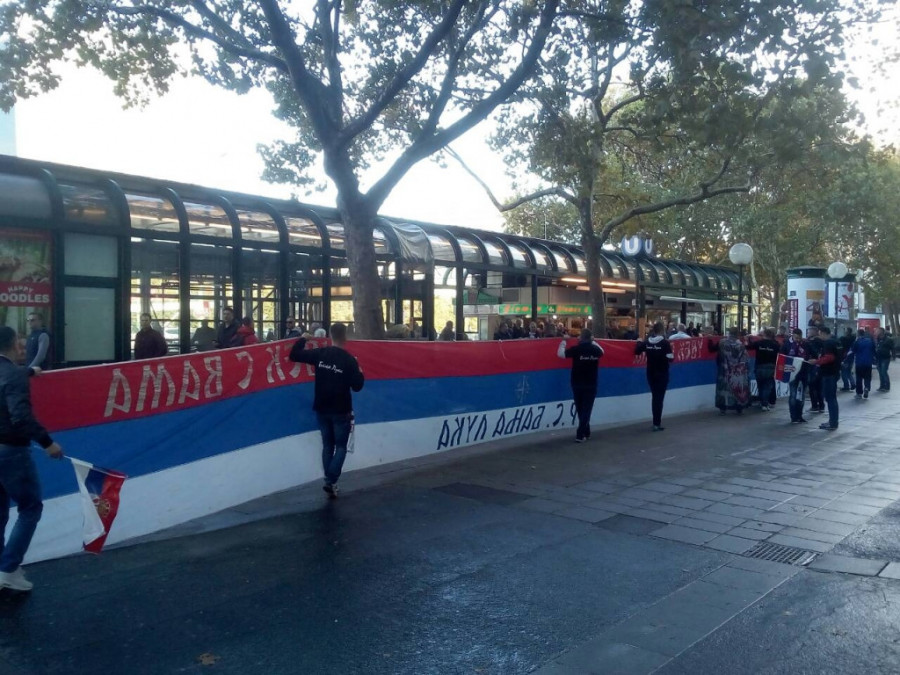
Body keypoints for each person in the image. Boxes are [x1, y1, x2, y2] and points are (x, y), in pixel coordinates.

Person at [0, 326, 64, 591]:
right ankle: (8, 569)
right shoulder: (14, 375)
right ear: (14, 343)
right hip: (11, 451)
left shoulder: (15, 373)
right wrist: (47, 443)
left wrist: (28, 372)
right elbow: (21, 417)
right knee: (30, 508)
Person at [289, 323, 364, 497]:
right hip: (341, 409)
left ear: (330, 335)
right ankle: (331, 480)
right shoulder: (349, 360)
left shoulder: (321, 354)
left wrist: (303, 339)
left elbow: (294, 355)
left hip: (322, 407)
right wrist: (360, 372)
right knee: (341, 446)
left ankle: (329, 481)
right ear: (345, 337)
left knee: (328, 445)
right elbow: (357, 386)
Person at [558, 328, 604, 443]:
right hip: (591, 383)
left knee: (580, 408)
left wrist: (564, 341)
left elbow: (561, 354)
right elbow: (602, 351)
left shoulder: (577, 349)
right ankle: (584, 432)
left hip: (577, 383)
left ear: (581, 338)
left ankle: (582, 433)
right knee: (586, 409)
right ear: (590, 338)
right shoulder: (595, 350)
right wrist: (594, 341)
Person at [634, 322, 673, 431]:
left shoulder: (647, 342)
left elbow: (637, 351)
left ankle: (656, 422)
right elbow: (671, 358)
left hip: (650, 373)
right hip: (662, 373)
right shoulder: (665, 343)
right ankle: (657, 423)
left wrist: (639, 342)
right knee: (659, 398)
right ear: (662, 330)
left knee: (655, 397)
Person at [708, 328, 750, 414]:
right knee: (737, 388)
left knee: (723, 388)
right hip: (737, 372)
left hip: (724, 369)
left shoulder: (722, 342)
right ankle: (739, 407)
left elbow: (711, 349)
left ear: (729, 333)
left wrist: (709, 340)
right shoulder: (740, 344)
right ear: (737, 334)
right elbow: (745, 358)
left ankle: (722, 408)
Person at [807, 325, 840, 431]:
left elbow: (829, 357)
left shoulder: (828, 343)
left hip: (828, 373)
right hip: (834, 372)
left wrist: (816, 361)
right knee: (832, 398)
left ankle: (833, 422)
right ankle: (833, 421)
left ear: (822, 333)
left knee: (830, 398)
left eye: (819, 334)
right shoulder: (837, 342)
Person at [780, 328, 809, 424]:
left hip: (803, 372)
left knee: (801, 395)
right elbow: (781, 356)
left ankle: (799, 415)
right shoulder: (787, 344)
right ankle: (793, 416)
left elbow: (809, 354)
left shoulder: (805, 344)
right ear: (793, 335)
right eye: (796, 338)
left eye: (799, 338)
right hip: (792, 373)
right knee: (793, 394)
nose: (798, 340)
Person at [746, 327, 779, 411]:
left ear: (764, 334)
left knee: (760, 386)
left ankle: (762, 402)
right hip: (771, 367)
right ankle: (765, 403)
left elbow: (748, 347)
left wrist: (747, 339)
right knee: (767, 386)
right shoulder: (775, 344)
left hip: (759, 366)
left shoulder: (759, 343)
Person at [848, 328, 875, 399]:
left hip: (859, 362)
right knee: (867, 377)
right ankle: (867, 387)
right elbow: (874, 350)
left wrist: (846, 359)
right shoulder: (870, 341)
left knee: (859, 378)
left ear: (858, 334)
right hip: (868, 362)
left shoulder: (857, 342)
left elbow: (852, 351)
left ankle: (859, 393)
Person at [805, 327, 825, 415]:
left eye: (809, 332)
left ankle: (814, 405)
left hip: (813, 365)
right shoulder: (822, 342)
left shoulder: (813, 342)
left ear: (814, 332)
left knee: (812, 386)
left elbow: (813, 353)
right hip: (820, 366)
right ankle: (821, 405)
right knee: (819, 387)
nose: (807, 333)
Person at [875, 327, 894, 392]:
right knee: (880, 372)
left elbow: (892, 348)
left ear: (881, 332)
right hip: (879, 358)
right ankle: (882, 386)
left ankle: (887, 387)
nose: (876, 332)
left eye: (878, 331)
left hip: (885, 358)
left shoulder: (888, 339)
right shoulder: (878, 339)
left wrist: (893, 356)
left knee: (884, 372)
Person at [839, 327, 856, 391]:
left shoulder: (842, 339)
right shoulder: (853, 339)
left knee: (844, 372)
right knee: (848, 371)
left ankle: (846, 386)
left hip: (844, 357)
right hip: (851, 356)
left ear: (847, 332)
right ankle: (853, 383)